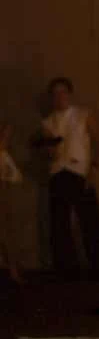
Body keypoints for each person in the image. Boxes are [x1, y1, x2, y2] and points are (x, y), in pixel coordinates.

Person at [40, 77, 99, 281]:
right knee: (59, 223)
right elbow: (48, 151)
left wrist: (95, 167)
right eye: (55, 94)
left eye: (62, 92)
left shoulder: (83, 115)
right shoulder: (48, 122)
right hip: (58, 172)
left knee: (90, 220)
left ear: (69, 94)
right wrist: (49, 150)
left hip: (79, 171)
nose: (59, 97)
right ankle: (66, 270)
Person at [0, 122, 24, 284]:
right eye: (5, 135)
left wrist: (7, 175)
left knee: (7, 233)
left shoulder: (5, 155)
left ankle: (12, 270)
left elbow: (17, 176)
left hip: (3, 196)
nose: (7, 139)